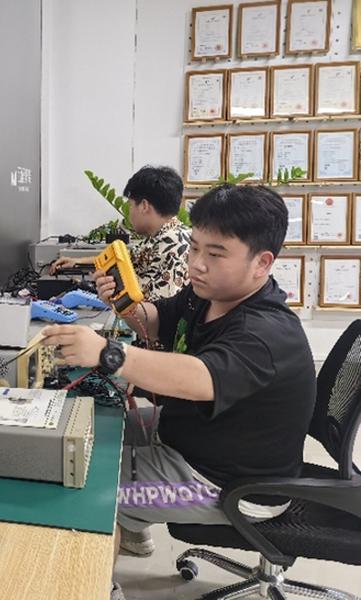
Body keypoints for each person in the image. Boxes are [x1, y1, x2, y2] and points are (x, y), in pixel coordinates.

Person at [40, 184, 316, 600]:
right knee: (94, 426)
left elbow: (199, 377)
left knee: (89, 487)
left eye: (215, 254)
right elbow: (154, 319)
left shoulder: (264, 333)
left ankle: (97, 583)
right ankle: (132, 532)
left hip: (228, 485)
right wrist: (124, 304)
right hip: (192, 441)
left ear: (262, 263)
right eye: (195, 248)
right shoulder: (208, 296)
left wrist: (108, 353)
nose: (197, 264)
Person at [51, 165, 190, 302]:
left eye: (130, 205)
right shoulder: (163, 237)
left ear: (144, 206)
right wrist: (77, 262)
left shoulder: (172, 245)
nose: (129, 212)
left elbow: (156, 308)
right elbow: (123, 260)